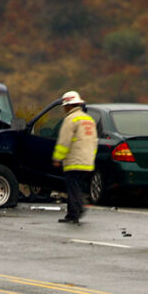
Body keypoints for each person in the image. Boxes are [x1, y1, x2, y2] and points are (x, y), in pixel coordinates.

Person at [52, 90, 98, 224]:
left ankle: (74, 213)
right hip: (87, 161)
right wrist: (90, 157)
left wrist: (57, 158)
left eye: (65, 106)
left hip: (74, 161)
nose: (64, 109)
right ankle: (77, 209)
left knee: (73, 188)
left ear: (69, 106)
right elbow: (94, 141)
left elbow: (64, 141)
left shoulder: (70, 119)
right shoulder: (89, 120)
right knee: (78, 187)